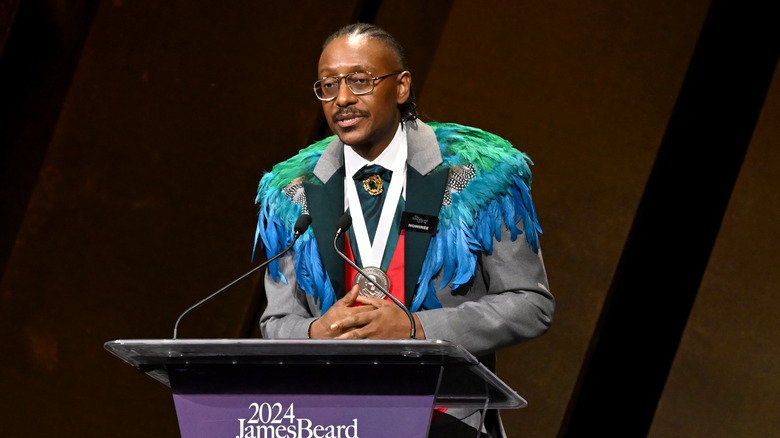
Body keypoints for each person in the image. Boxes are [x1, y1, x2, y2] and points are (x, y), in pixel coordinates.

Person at [254, 23, 554, 437]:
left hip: (446, 421)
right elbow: (276, 321)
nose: (342, 98)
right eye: (328, 85)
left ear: (401, 87)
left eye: (360, 81)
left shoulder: (479, 174)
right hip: (335, 421)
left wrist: (418, 329)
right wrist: (316, 331)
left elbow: (530, 305)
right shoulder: (292, 193)